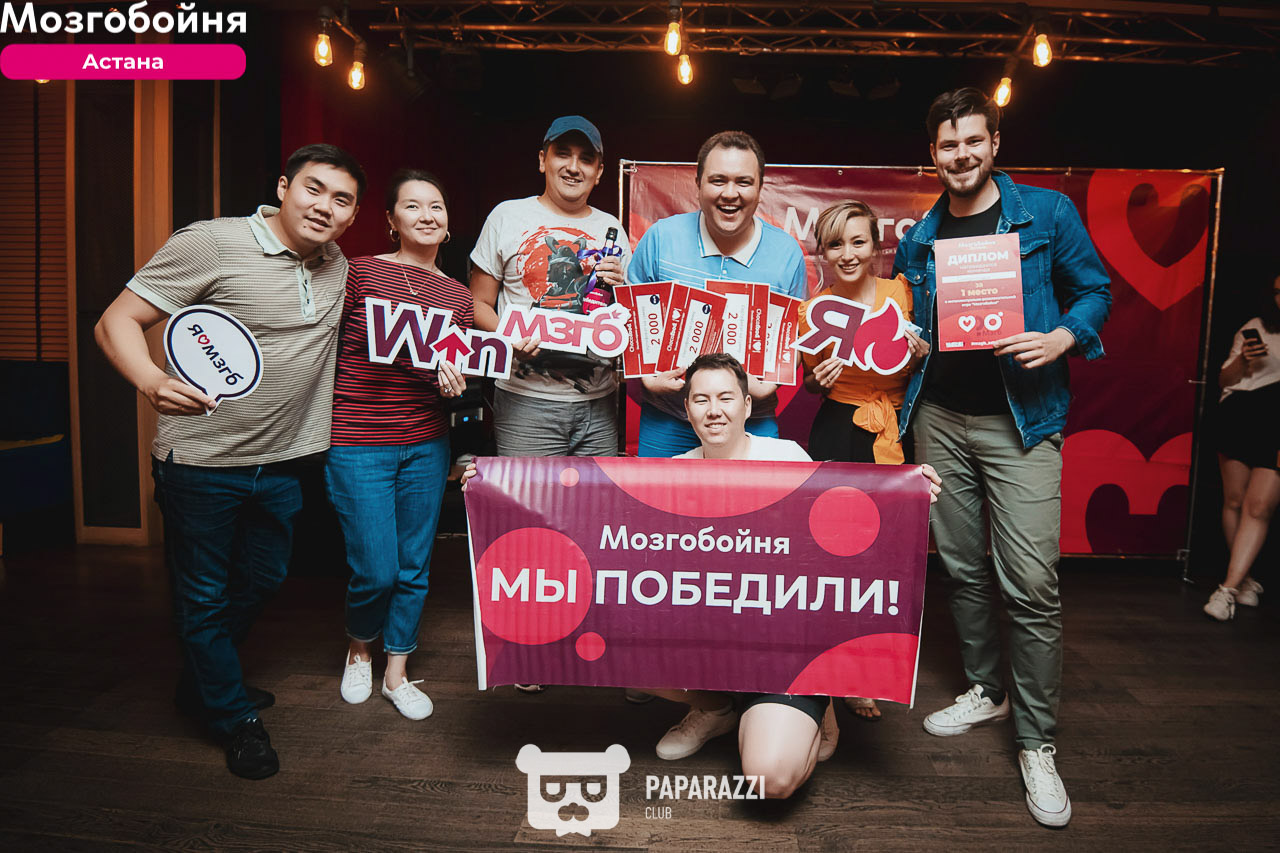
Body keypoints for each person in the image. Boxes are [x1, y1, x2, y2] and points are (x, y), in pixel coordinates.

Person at [462, 353, 941, 799]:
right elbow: (583, 521)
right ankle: (715, 708)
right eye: (701, 400)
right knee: (608, 632)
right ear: (687, 410)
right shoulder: (668, 476)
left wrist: (910, 494)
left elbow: (848, 541)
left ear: (747, 405)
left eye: (726, 397)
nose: (714, 411)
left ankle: (821, 702)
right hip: (707, 648)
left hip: (784, 658)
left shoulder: (790, 459)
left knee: (769, 781)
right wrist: (492, 486)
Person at [94, 144, 366, 779]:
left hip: (284, 462)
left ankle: (202, 684)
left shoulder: (337, 266)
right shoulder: (213, 243)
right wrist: (150, 381)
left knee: (264, 579)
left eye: (342, 200)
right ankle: (233, 717)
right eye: (314, 189)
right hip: (200, 464)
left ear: (353, 216)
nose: (324, 207)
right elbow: (116, 320)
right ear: (283, 187)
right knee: (203, 597)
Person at [893, 88, 1110, 827]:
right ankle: (987, 689)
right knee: (960, 566)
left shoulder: (1046, 213)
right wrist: (907, 341)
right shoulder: (921, 237)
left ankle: (1036, 740)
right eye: (948, 144)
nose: (961, 155)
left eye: (973, 141)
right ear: (933, 152)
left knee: (1032, 582)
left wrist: (1063, 337)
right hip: (939, 418)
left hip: (1023, 420)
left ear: (994, 143)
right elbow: (913, 328)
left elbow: (1096, 291)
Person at [469, 116, 628, 693]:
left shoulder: (612, 228)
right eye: (564, 153)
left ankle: (582, 632)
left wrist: (623, 284)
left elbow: (624, 318)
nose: (573, 167)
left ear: (599, 170)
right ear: (543, 159)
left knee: (592, 523)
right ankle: (527, 641)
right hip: (526, 401)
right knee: (528, 523)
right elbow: (479, 305)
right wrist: (510, 335)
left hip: (598, 401)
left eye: (586, 158)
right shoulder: (507, 217)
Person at [328, 170, 472, 719]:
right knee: (376, 569)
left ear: (448, 223)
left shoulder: (458, 297)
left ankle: (397, 671)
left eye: (436, 206)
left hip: (426, 442)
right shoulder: (358, 273)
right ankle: (359, 648)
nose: (426, 215)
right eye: (412, 206)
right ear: (391, 220)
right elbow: (322, 345)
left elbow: (452, 371)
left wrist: (454, 384)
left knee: (414, 564)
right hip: (359, 439)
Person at [799, 200, 929, 720]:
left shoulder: (902, 295)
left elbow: (925, 359)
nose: (848, 254)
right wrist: (816, 381)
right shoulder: (815, 310)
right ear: (823, 253)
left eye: (858, 241)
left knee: (887, 560)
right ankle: (833, 671)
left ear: (876, 246)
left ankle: (868, 669)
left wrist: (922, 356)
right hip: (839, 430)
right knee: (835, 558)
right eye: (836, 244)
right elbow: (809, 382)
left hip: (895, 430)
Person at [627, 131, 808, 458]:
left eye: (743, 182)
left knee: (757, 494)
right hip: (668, 417)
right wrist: (646, 376)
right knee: (661, 493)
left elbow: (794, 334)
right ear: (698, 184)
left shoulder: (787, 253)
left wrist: (771, 383)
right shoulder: (660, 238)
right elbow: (629, 318)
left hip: (752, 419)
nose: (730, 193)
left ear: (760, 188)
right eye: (718, 180)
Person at [1203, 274, 1280, 620]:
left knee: (1259, 505)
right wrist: (1244, 360)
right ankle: (1243, 580)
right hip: (1240, 413)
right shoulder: (1256, 327)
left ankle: (1227, 591)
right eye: (1278, 291)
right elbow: (1225, 379)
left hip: (1276, 418)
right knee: (1234, 501)